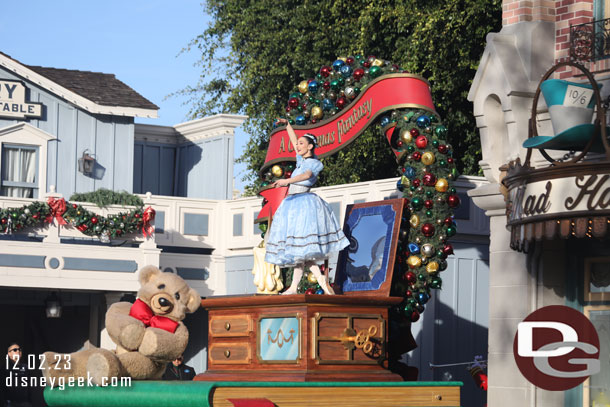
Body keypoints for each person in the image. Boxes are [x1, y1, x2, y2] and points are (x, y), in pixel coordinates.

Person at [265, 119, 349, 294]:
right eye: (298, 144)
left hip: (304, 205)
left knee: (302, 251)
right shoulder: (300, 160)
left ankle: (312, 284)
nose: (298, 146)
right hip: (292, 205)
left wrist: (286, 181)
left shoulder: (314, 163)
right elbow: (293, 140)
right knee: (299, 252)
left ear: (310, 146)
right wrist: (288, 124)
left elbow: (307, 175)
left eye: (302, 144)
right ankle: (311, 284)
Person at [1, 342, 32, 407]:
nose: (18, 351)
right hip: (10, 403)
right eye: (15, 350)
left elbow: (30, 386)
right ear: (9, 353)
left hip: (25, 403)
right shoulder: (4, 368)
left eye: (19, 349)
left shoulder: (26, 367)